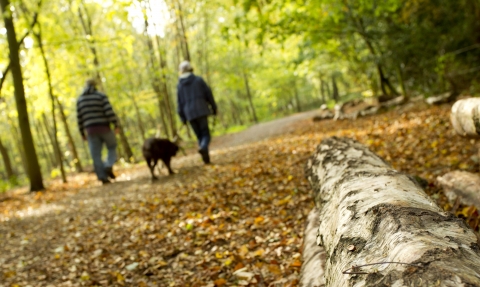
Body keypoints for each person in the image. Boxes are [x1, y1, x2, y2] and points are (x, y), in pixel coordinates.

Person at [77, 78, 119, 184]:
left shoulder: (80, 100)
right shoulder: (100, 96)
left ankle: (102, 176)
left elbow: (79, 118)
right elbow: (109, 111)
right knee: (112, 146)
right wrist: (116, 124)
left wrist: (82, 132)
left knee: (95, 154)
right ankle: (108, 165)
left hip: (90, 130)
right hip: (104, 127)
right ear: (95, 85)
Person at [177, 61, 217, 164]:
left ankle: (206, 159)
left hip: (189, 114)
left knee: (199, 136)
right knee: (205, 134)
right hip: (201, 110)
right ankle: (203, 148)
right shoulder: (198, 80)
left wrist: (182, 117)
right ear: (191, 69)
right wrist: (214, 108)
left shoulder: (180, 85)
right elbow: (209, 94)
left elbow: (179, 103)